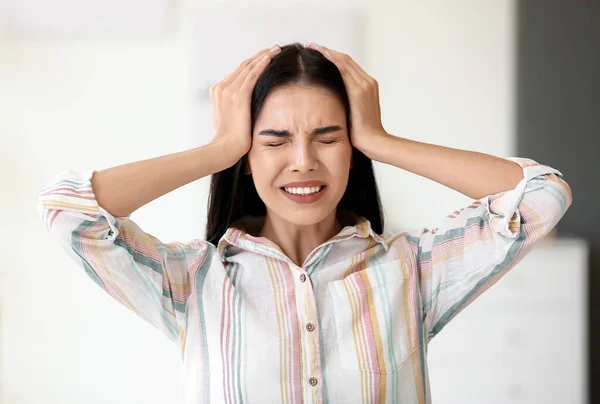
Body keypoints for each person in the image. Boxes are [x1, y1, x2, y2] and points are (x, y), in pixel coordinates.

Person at [36, 42, 572, 403]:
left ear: (352, 150)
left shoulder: (413, 270)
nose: (303, 162)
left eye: (329, 137)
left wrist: (381, 141)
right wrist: (219, 147)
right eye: (273, 140)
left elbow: (542, 194)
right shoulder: (194, 280)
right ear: (247, 155)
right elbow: (69, 212)